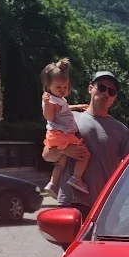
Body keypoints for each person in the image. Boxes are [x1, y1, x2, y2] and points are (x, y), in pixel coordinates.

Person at [50, 71, 129, 219]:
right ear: (90, 88)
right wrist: (66, 149)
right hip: (72, 205)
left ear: (114, 97)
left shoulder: (121, 130)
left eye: (112, 91)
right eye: (101, 87)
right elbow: (48, 155)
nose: (106, 93)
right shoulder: (70, 120)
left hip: (105, 208)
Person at [40, 58, 90, 198]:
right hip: (61, 134)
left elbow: (64, 108)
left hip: (57, 135)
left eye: (65, 88)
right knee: (84, 154)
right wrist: (46, 105)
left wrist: (77, 106)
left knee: (61, 163)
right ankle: (76, 178)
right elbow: (49, 116)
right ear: (48, 86)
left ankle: (52, 184)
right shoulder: (51, 101)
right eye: (58, 88)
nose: (62, 90)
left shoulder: (58, 100)